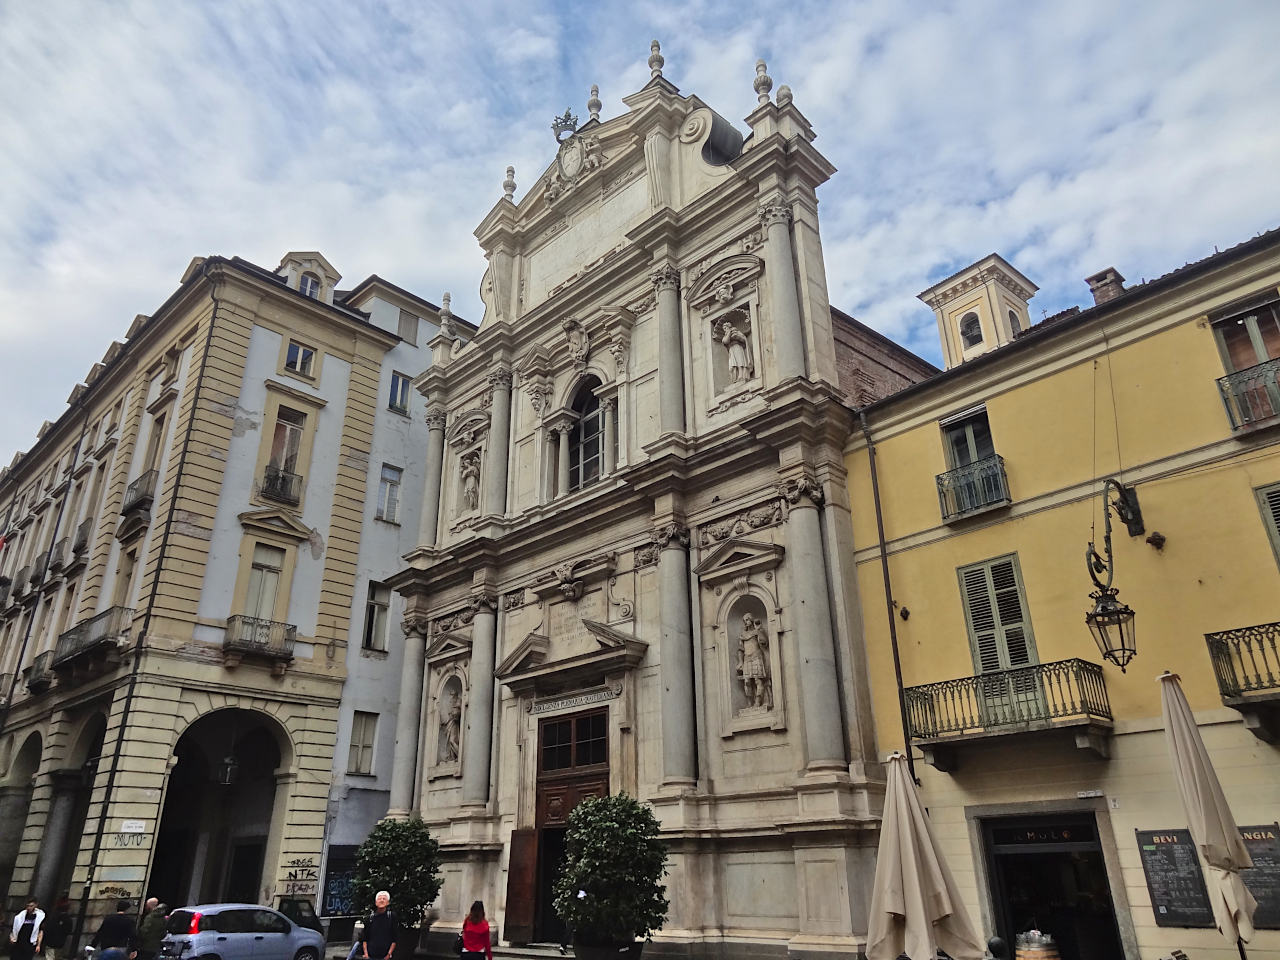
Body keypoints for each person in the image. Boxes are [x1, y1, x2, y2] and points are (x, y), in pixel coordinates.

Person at [360, 891, 398, 960]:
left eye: (384, 899)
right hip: (371, 955)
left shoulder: (391, 917)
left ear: (388, 903)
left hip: (385, 956)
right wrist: (366, 954)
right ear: (376, 903)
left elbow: (394, 938)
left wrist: (389, 954)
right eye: (379, 899)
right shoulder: (370, 918)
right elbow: (365, 938)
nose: (382, 900)